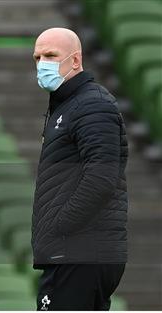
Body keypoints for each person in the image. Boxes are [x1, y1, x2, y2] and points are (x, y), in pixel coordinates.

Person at [31, 27, 128, 311]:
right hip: (77, 252)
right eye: (37, 57)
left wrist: (60, 226)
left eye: (50, 55)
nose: (42, 64)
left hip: (80, 252)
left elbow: (101, 177)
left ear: (75, 60)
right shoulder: (68, 105)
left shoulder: (92, 106)